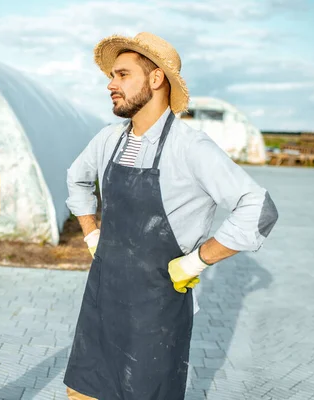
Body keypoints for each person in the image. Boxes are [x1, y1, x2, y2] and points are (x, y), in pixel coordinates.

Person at [63, 32, 279, 400]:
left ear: (156, 78)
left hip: (156, 311)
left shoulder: (191, 147)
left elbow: (259, 208)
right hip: (101, 299)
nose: (111, 85)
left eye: (122, 74)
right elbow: (76, 179)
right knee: (82, 393)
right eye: (111, 77)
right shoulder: (108, 139)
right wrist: (91, 233)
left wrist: (196, 261)